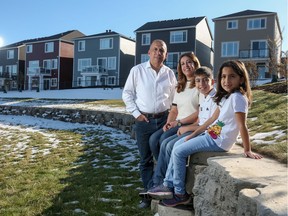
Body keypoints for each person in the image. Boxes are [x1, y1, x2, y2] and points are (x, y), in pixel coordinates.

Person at [148, 60, 263, 207]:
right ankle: (167, 184)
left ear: (241, 79)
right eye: (223, 76)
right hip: (211, 135)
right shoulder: (226, 96)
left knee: (178, 152)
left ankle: (180, 194)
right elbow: (211, 120)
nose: (226, 81)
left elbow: (242, 125)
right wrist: (193, 134)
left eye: (231, 76)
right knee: (177, 146)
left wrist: (247, 150)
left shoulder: (238, 98)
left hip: (219, 141)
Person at [122, 39, 177, 208]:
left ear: (166, 55)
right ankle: (149, 194)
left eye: (162, 50)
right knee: (145, 159)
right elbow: (127, 94)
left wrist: (172, 119)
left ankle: (162, 187)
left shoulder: (169, 74)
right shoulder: (137, 70)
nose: (158, 53)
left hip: (163, 120)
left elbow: (175, 99)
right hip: (144, 121)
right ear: (149, 52)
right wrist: (137, 114)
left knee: (162, 156)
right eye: (155, 49)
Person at [151, 66, 218, 187]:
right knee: (164, 142)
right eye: (198, 80)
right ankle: (164, 183)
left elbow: (213, 127)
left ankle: (173, 188)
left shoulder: (217, 99)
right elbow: (202, 121)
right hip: (200, 130)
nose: (201, 84)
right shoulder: (204, 95)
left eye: (205, 80)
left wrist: (188, 128)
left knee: (173, 146)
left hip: (212, 137)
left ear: (212, 81)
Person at [148, 52, 201, 161]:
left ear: (195, 64)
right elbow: (174, 110)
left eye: (189, 62)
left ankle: (165, 170)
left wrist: (179, 122)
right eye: (182, 64)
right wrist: (168, 123)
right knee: (153, 139)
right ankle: (162, 166)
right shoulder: (180, 86)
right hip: (177, 122)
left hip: (190, 123)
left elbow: (200, 112)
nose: (185, 66)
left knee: (163, 139)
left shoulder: (201, 85)